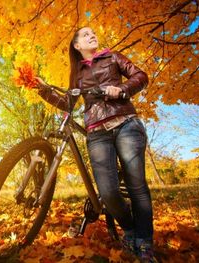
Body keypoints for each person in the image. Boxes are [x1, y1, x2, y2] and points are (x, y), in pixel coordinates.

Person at [35, 27, 155, 262]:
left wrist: (121, 89)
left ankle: (144, 241)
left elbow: (140, 76)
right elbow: (67, 103)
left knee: (136, 184)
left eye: (93, 33)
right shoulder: (77, 74)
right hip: (97, 133)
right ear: (77, 45)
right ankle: (131, 228)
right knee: (108, 192)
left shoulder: (113, 57)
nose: (92, 35)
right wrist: (42, 89)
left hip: (126, 123)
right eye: (85, 34)